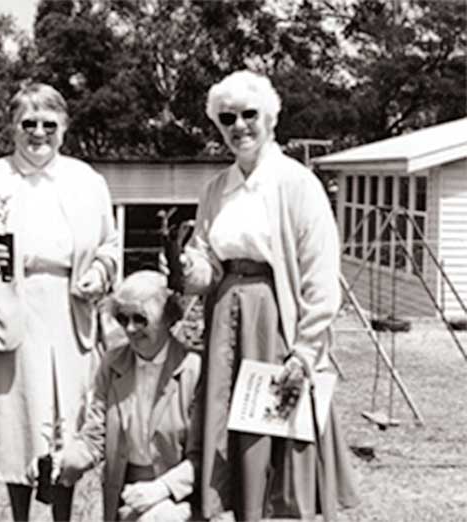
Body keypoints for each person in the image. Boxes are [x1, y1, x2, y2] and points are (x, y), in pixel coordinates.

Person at [181, 70, 359, 521]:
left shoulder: (297, 183)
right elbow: (206, 256)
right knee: (228, 422)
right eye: (227, 118)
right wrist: (194, 268)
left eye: (249, 115)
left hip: (275, 321)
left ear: (271, 118)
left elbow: (321, 272)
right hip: (225, 318)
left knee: (274, 428)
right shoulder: (216, 188)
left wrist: (305, 349)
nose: (239, 125)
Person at [0, 82, 119, 521]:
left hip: (68, 311)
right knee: (17, 424)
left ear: (63, 128)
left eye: (48, 124)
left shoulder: (86, 179)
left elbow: (109, 245)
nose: (38, 133)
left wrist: (99, 273)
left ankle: (62, 516)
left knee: (67, 424)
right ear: (12, 127)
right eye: (28, 123)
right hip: (9, 311)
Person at [49, 270, 202, 522]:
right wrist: (63, 460)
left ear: (167, 317)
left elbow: (204, 459)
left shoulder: (194, 370)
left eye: (140, 319)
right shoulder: (113, 363)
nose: (130, 328)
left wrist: (161, 489)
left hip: (179, 499)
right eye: (122, 318)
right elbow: (94, 438)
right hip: (127, 496)